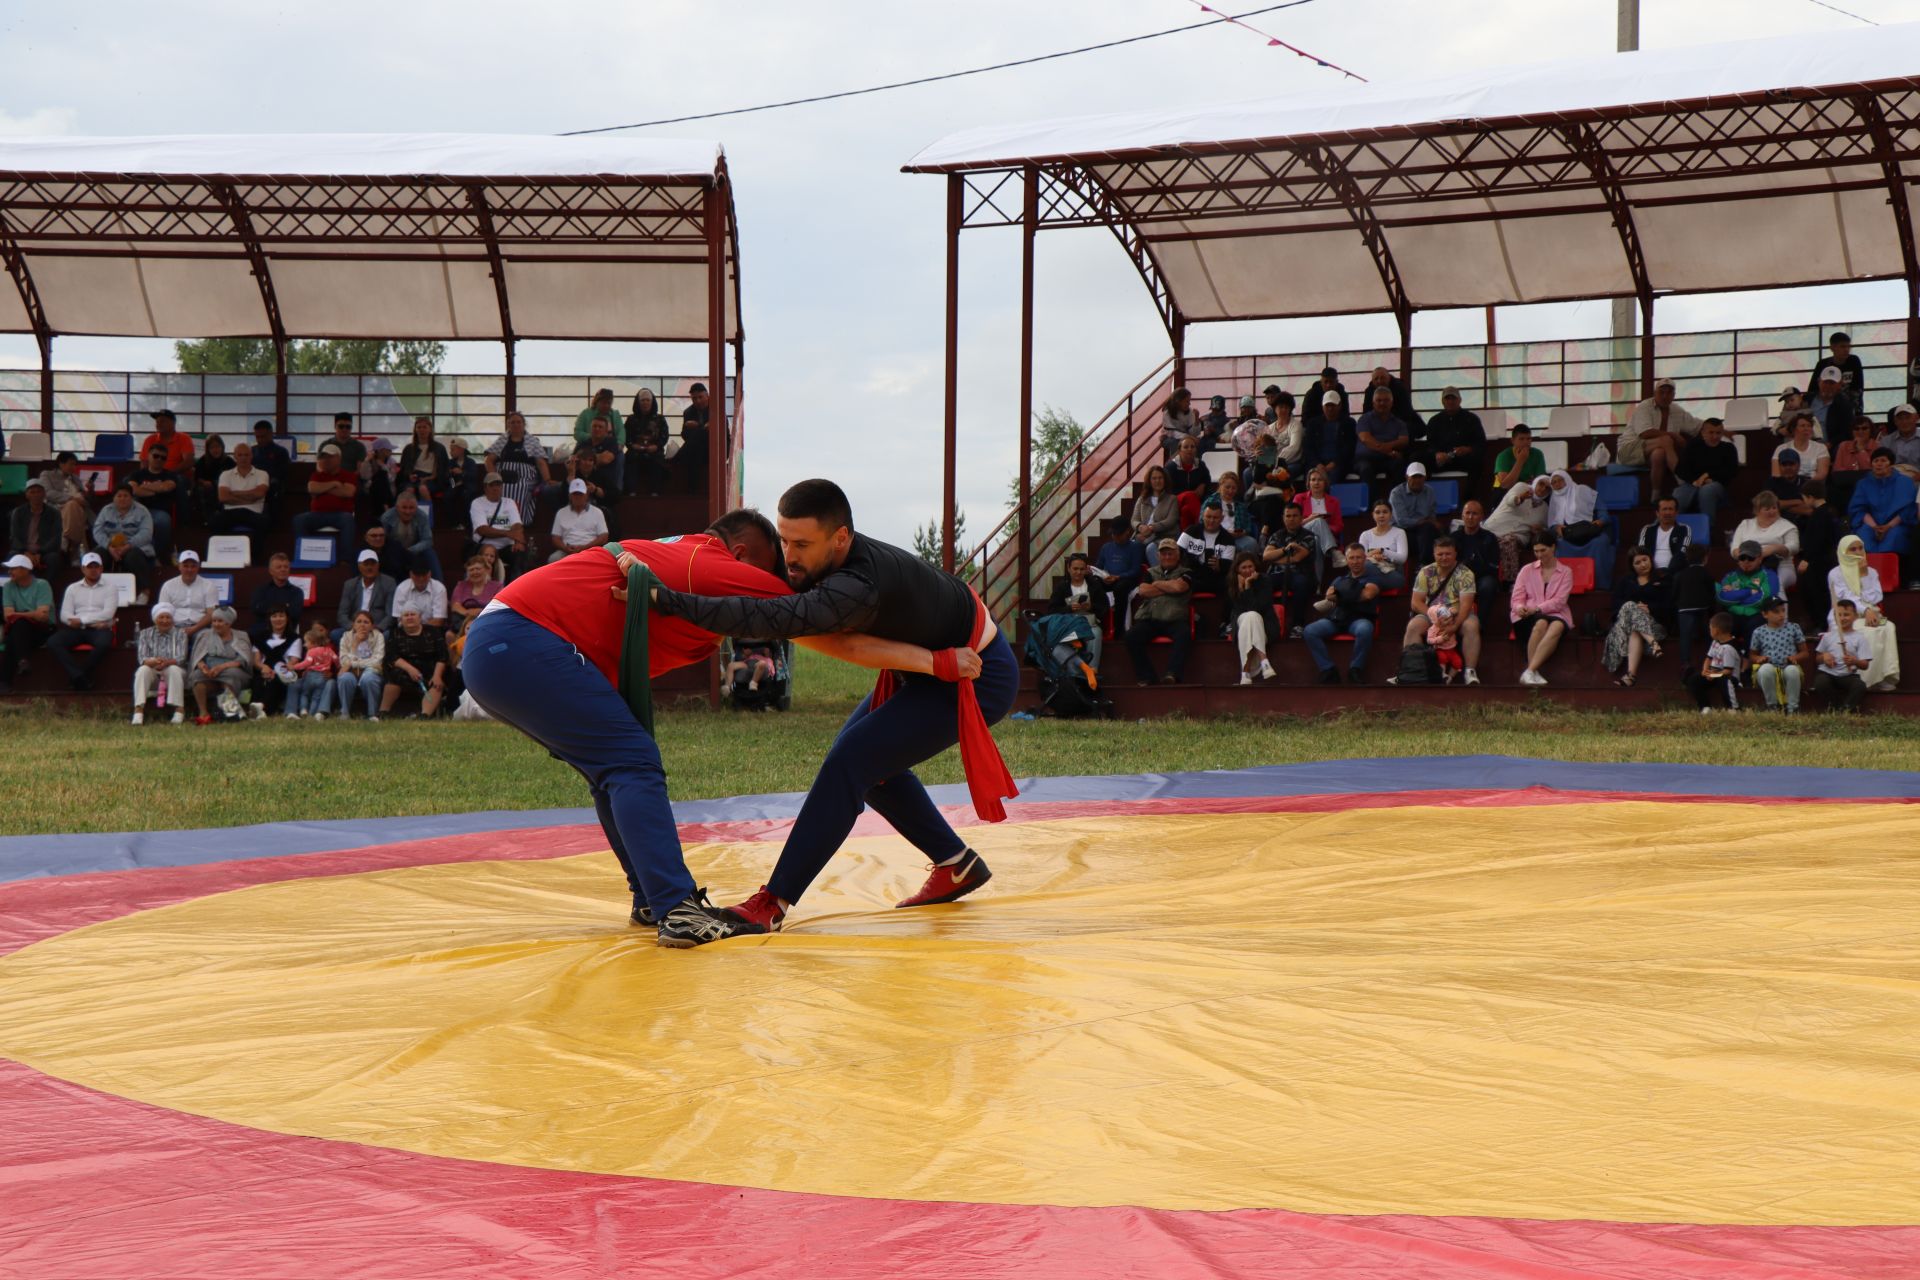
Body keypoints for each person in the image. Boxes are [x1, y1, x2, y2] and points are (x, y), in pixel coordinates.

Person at [505, 485, 1014, 940]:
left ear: (840, 539)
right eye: (786, 543)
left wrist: (666, 599)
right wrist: (931, 659)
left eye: (801, 546)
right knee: (868, 763)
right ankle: (956, 862)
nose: (789, 559)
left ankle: (773, 902)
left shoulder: (854, 585)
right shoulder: (836, 565)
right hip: (937, 667)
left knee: (851, 763)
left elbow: (770, 617)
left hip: (974, 674)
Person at [1392, 536, 1481, 686]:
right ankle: (1409, 670)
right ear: (1434, 554)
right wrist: (1434, 617)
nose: (1444, 557)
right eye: (1440, 554)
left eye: (1448, 554)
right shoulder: (1426, 572)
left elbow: (1467, 605)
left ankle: (1470, 671)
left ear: (1455, 554)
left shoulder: (1466, 574)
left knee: (1472, 625)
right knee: (1413, 626)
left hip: (1457, 613)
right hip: (1431, 613)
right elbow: (1416, 602)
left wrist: (1454, 625)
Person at [1827, 535, 1900, 690]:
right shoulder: (1835, 573)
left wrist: (1864, 575)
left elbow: (1876, 596)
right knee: (1869, 632)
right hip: (1845, 615)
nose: (1859, 552)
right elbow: (1845, 598)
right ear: (1843, 552)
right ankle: (1864, 680)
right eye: (1853, 549)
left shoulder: (1871, 572)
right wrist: (1865, 610)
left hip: (1871, 613)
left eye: (1861, 548)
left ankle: (1884, 676)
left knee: (1889, 627)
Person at [1304, 543, 1381, 685]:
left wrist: (1341, 595)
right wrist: (1354, 593)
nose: (1355, 561)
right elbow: (1329, 596)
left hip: (1359, 619)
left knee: (1365, 629)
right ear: (1346, 560)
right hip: (1337, 619)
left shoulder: (1373, 577)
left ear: (1365, 558)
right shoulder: (1339, 579)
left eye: (1359, 557)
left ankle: (1355, 670)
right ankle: (1328, 669)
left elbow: (1368, 594)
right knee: (1310, 631)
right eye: (1352, 558)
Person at [1124, 538, 1194, 685]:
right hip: (1150, 618)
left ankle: (1172, 674)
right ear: (1158, 556)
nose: (1167, 557)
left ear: (1178, 555)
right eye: (1164, 554)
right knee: (1131, 636)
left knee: (1184, 634)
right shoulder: (1150, 572)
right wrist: (1169, 587)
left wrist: (1156, 584)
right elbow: (1143, 591)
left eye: (1170, 554)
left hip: (1175, 619)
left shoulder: (1187, 572)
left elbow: (1179, 588)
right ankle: (1147, 676)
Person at [47, 552, 118, 690]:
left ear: (101, 568)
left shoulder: (110, 588)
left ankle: (79, 675)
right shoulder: (73, 588)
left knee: (104, 642)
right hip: (77, 628)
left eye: (96, 566)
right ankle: (80, 676)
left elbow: (108, 614)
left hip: (98, 628)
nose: (93, 570)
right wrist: (81, 622)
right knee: (53, 642)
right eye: (89, 567)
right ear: (82, 569)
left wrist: (81, 620)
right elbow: (64, 615)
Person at [1616, 379, 1700, 497]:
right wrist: (1674, 435)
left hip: (1649, 456)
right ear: (1655, 393)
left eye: (1669, 393)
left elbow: (1697, 425)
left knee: (1659, 453)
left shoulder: (1677, 410)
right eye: (1661, 392)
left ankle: (1655, 495)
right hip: (1627, 451)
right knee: (1666, 440)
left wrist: (1723, 430)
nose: (1665, 396)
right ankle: (1682, 481)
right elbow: (1644, 433)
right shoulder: (1645, 406)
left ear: (1674, 395)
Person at [1847, 448, 1918, 583]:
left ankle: (1894, 580)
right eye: (1876, 461)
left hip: (1896, 524)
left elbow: (1908, 511)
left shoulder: (1905, 482)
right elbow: (1858, 509)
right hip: (1870, 524)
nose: (1879, 464)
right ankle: (1864, 581)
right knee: (1863, 535)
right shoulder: (1863, 483)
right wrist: (1874, 526)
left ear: (1890, 463)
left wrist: (1888, 527)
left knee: (1895, 536)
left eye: (1883, 460)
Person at [1511, 536, 1573, 686]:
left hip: (1555, 614)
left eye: (1543, 550)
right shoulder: (1527, 570)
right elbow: (1516, 598)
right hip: (1526, 617)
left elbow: (1560, 601)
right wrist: (1521, 608)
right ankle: (1532, 672)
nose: (1539, 555)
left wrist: (1537, 609)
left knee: (1556, 624)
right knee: (1541, 623)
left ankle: (1530, 670)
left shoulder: (1566, 571)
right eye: (1536, 551)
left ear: (1553, 547)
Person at [1604, 549, 1668, 688]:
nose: (1643, 564)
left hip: (1654, 626)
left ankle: (1630, 676)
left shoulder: (1662, 579)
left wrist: (1650, 608)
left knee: (1635, 629)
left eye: (1645, 559)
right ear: (1632, 566)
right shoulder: (1625, 581)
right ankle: (1653, 644)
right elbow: (1615, 603)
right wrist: (1635, 608)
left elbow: (1669, 605)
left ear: (1650, 559)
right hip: (1625, 627)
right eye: (1637, 562)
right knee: (1629, 606)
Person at [188, 607, 264, 723]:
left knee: (229, 674)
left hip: (234, 670)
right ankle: (203, 713)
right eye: (214, 621)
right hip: (210, 672)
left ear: (228, 623)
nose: (216, 624)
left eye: (220, 621)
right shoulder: (205, 635)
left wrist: (221, 667)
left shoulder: (241, 636)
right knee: (197, 676)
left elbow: (243, 660)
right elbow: (198, 656)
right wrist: (203, 667)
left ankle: (229, 712)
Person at [1261, 501, 1319, 640]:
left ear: (1301, 517)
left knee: (1301, 583)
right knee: (1261, 582)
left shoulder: (1308, 536)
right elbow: (1265, 556)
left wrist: (1276, 557)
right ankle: (1266, 623)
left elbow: (1297, 558)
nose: (1291, 519)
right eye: (1288, 516)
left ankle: (1297, 625)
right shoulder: (1277, 535)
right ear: (1283, 517)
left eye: (1294, 516)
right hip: (1277, 573)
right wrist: (1284, 550)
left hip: (1301, 573)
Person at [379, 609, 450, 718]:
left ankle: (424, 715)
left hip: (431, 669)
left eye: (413, 614)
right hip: (405, 669)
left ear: (420, 617)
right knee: (393, 677)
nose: (409, 617)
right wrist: (410, 669)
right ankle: (383, 713)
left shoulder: (433, 632)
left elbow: (443, 656)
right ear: (401, 620)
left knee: (437, 683)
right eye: (406, 615)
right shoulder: (395, 633)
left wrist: (437, 675)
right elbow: (392, 656)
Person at [484, 412, 555, 520]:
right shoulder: (502, 440)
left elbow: (541, 462)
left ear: (523, 424)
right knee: (500, 487)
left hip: (526, 477)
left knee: (520, 487)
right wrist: (494, 477)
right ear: (508, 425)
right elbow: (489, 460)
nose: (516, 425)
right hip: (503, 475)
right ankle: (500, 521)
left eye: (518, 422)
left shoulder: (532, 441)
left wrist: (548, 479)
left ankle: (517, 521)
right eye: (512, 422)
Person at [1046, 552, 1109, 672]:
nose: (1078, 572)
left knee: (1096, 633)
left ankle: (1092, 670)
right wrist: (1068, 609)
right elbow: (1052, 610)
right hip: (1068, 625)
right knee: (1060, 641)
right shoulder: (1062, 587)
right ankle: (1071, 671)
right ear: (1068, 569)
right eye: (1075, 569)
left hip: (1090, 623)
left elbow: (1104, 607)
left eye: (1082, 569)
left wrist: (1091, 607)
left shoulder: (1094, 585)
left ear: (1086, 570)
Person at [1547, 469, 1612, 582]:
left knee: (1600, 543)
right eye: (1554, 482)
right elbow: (1552, 523)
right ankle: (1566, 584)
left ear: (1567, 479)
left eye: (1560, 480)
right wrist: (1556, 528)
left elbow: (1602, 509)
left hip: (1591, 531)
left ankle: (1599, 584)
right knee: (1560, 544)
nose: (1557, 484)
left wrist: (1601, 520)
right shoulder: (1554, 499)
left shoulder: (1582, 490)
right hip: (1569, 534)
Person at [1, 554, 53, 695]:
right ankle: (22, 661)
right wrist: (30, 614)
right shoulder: (8, 586)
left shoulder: (42, 585)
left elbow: (42, 616)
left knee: (16, 630)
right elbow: (7, 616)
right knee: (18, 628)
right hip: (21, 631)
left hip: (43, 629)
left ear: (25, 570)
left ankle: (5, 681)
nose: (9, 572)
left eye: (13, 569)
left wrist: (20, 614)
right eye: (9, 569)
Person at [208, 442, 271, 559]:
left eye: (246, 455)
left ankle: (255, 561)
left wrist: (234, 493)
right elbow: (223, 497)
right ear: (235, 456)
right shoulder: (226, 474)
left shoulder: (262, 474)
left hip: (254, 513)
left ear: (251, 456)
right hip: (230, 513)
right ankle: (219, 557)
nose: (243, 458)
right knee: (214, 521)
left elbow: (259, 493)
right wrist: (250, 497)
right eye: (240, 455)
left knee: (264, 522)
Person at [1731, 492, 1802, 595]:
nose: (1772, 511)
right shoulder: (1745, 524)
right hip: (1749, 566)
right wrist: (1747, 559)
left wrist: (1774, 548)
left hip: (1781, 566)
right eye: (1767, 509)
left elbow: (1794, 547)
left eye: (1774, 508)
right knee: (1738, 586)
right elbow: (1735, 548)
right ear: (1757, 511)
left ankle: (1779, 610)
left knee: (1774, 584)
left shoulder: (1788, 526)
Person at [1796, 479, 1845, 629]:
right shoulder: (1830, 512)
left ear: (1810, 497)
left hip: (1818, 563)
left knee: (1815, 593)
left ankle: (1822, 625)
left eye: (1804, 498)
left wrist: (1806, 559)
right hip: (1827, 560)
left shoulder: (1819, 516)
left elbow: (1816, 540)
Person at [91, 486, 157, 597]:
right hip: (110, 546)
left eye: (126, 496)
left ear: (132, 498)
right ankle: (96, 591)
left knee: (133, 556)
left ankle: (144, 592)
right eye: (119, 496)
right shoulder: (106, 510)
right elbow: (97, 531)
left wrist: (128, 545)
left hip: (135, 546)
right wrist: (108, 546)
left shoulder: (142, 511)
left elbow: (146, 533)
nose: (122, 499)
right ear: (114, 498)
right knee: (97, 556)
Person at [1746, 597, 1808, 714]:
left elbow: (1805, 653)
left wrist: (1795, 657)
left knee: (1792, 671)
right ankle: (1772, 707)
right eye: (1776, 612)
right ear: (1765, 614)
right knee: (1766, 669)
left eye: (1783, 610)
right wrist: (1759, 658)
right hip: (1770, 667)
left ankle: (1792, 708)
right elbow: (1752, 655)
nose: (1781, 615)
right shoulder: (1759, 632)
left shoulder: (1793, 628)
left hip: (1788, 666)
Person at [130, 602, 188, 724]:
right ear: (155, 619)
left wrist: (166, 662)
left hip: (173, 670)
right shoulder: (145, 633)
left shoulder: (180, 634)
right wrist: (154, 661)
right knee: (142, 670)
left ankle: (179, 710)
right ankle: (138, 711)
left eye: (168, 617)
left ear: (172, 619)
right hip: (153, 668)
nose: (165, 621)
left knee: (174, 669)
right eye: (161, 617)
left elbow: (181, 658)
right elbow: (142, 658)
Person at [1673, 417, 1739, 523]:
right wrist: (1694, 480)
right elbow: (1680, 469)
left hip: (1717, 486)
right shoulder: (1693, 446)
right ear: (1703, 433)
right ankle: (1668, 528)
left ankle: (1708, 527)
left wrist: (1708, 477)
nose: (1715, 436)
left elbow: (1731, 471)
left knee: (1707, 490)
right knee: (1679, 493)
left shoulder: (1728, 448)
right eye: (1711, 432)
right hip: (1693, 483)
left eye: (1718, 433)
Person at [1224, 550, 1276, 685]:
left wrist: (1247, 587)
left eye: (1250, 566)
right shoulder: (1232, 584)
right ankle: (1264, 662)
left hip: (1264, 627)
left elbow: (1257, 608)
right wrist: (1241, 588)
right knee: (1249, 617)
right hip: (1242, 627)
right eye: (1244, 567)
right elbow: (1241, 611)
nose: (1247, 570)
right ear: (1237, 570)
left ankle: (1245, 672)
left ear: (1255, 567)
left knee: (1253, 615)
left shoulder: (1265, 581)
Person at [468, 471, 531, 579]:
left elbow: (517, 525)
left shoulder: (510, 502)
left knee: (521, 553)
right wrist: (508, 534)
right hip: (485, 546)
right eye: (492, 485)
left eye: (498, 485)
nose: (495, 488)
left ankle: (517, 586)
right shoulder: (477, 503)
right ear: (485, 487)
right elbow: (482, 530)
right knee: (487, 554)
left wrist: (518, 541)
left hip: (506, 546)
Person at [1813, 599, 1872, 712]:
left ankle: (1846, 709)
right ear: (1834, 617)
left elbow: (1865, 665)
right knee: (1820, 683)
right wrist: (1824, 657)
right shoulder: (1827, 636)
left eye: (1846, 615)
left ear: (1855, 616)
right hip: (1828, 673)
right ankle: (1836, 707)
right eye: (1839, 615)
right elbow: (1817, 658)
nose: (1842, 618)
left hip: (1848, 675)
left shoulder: (1860, 638)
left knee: (1859, 686)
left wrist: (1855, 661)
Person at [1716, 541, 1779, 646]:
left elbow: (1765, 598)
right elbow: (1722, 597)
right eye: (1742, 558)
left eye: (1750, 558)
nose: (1746, 561)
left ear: (1760, 559)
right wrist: (1748, 592)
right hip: (1733, 616)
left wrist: (1735, 595)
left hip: (1757, 615)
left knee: (1755, 626)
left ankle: (1752, 660)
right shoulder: (1730, 576)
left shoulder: (1769, 575)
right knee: (1723, 623)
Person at [127, 441, 180, 564]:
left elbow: (167, 487)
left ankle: (156, 555)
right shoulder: (137, 474)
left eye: (163, 458)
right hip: (138, 511)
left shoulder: (170, 475)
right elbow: (133, 490)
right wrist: (156, 489)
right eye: (156, 456)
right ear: (148, 456)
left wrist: (144, 486)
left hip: (160, 512)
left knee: (163, 521)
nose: (159, 459)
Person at [34, 450, 94, 561]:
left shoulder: (75, 478)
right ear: (61, 463)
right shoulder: (47, 474)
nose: (74, 467)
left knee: (74, 507)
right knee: (72, 505)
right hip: (58, 507)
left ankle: (65, 542)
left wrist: (89, 491)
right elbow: (47, 493)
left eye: (75, 464)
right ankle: (76, 549)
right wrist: (71, 498)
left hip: (80, 509)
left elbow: (85, 499)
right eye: (71, 464)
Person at [1412, 387, 1485, 476]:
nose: (1450, 401)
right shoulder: (1435, 420)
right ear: (1442, 401)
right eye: (1447, 398)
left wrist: (1467, 449)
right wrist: (1437, 454)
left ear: (1460, 400)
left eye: (1453, 398)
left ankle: (1469, 490)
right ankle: (1424, 489)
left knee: (1477, 459)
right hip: (1441, 460)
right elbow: (1430, 444)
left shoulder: (1471, 419)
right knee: (1416, 458)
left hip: (1462, 459)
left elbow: (1480, 443)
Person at [291, 448, 358, 543]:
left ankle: (345, 557)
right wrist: (334, 483)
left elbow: (347, 492)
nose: (326, 460)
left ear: (339, 458)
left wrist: (322, 489)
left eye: (330, 457)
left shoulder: (349, 475)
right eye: (323, 457)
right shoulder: (316, 475)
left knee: (348, 520)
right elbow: (312, 489)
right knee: (299, 519)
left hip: (341, 514)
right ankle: (303, 554)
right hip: (317, 514)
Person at [1389, 461, 1447, 569]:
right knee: (1427, 533)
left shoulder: (1429, 491)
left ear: (1424, 478)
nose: (1417, 480)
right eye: (1414, 477)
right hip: (1402, 531)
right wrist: (1425, 521)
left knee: (1434, 531)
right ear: (1407, 477)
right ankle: (1425, 566)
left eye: (1420, 477)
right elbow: (1402, 521)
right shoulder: (1396, 493)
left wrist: (1430, 522)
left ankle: (1423, 565)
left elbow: (1432, 514)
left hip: (1423, 530)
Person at [1670, 544, 1717, 675]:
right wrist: (1712, 612)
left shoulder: (1680, 575)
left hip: (1684, 609)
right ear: (1705, 558)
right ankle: (1711, 660)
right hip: (1703, 609)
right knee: (1708, 635)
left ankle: (1686, 662)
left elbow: (1674, 594)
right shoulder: (1706, 574)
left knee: (1685, 636)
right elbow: (1711, 593)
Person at [1352, 384, 1411, 486]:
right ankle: (1372, 502)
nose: (1382, 403)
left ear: (1392, 403)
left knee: (1399, 466)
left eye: (1386, 400)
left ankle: (1395, 500)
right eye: (1379, 400)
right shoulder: (1364, 419)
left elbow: (1404, 440)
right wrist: (1388, 451)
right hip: (1366, 459)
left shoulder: (1399, 423)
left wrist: (1387, 450)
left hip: (1388, 460)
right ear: (1373, 403)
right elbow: (1366, 439)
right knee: (1366, 469)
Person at [1684, 612, 1743, 713]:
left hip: (1727, 676)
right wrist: (1705, 670)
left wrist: (1714, 675)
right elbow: (1708, 658)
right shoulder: (1715, 641)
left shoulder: (1729, 648)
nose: (1709, 631)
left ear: (1716, 630)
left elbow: (1728, 671)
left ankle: (1733, 708)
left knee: (1725, 680)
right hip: (1714, 673)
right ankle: (1705, 706)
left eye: (1710, 628)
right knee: (1693, 680)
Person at [8, 478, 65, 580]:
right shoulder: (18, 512)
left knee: (54, 558)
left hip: (44, 552)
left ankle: (46, 589)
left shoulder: (54, 513)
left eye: (39, 491)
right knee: (12, 555)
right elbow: (14, 537)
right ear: (27, 495)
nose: (36, 495)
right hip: (23, 551)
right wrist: (26, 553)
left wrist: (40, 553)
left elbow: (56, 538)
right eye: (32, 492)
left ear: (44, 494)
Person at [334, 610, 386, 720]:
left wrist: (353, 663)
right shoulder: (346, 636)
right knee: (344, 678)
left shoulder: (378, 636)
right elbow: (343, 661)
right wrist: (355, 644)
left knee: (369, 678)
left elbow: (377, 661)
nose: (362, 625)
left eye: (366, 622)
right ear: (353, 625)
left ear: (372, 626)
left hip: (371, 671)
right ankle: (345, 713)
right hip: (351, 672)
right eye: (359, 621)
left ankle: (372, 714)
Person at [1177, 503, 1238, 595]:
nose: (1211, 520)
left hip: (1215, 577)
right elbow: (1177, 553)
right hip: (1191, 574)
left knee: (1230, 585)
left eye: (1215, 517)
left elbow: (1228, 566)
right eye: (1208, 517)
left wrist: (1220, 566)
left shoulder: (1228, 539)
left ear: (1222, 518)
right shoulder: (1190, 531)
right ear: (1203, 516)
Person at [156, 550, 218, 640]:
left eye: (193, 566)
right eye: (185, 566)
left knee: (207, 636)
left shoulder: (209, 585)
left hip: (200, 628)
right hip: (173, 627)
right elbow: (162, 612)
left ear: (198, 567)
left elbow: (211, 613)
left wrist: (194, 629)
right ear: (179, 566)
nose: (189, 569)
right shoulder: (168, 585)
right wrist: (173, 629)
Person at [1807, 331, 1864, 428]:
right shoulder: (1823, 364)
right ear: (1832, 348)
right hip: (1825, 408)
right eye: (1842, 347)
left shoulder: (1854, 361)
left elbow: (1858, 388)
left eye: (1848, 347)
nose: (1846, 350)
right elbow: (1812, 390)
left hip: (1850, 407)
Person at [1092, 518, 1146, 620]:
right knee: (1094, 583)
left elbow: (1135, 570)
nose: (1115, 536)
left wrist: (1118, 577)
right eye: (1113, 534)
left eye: (1118, 534)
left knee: (1121, 588)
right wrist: (1098, 574)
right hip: (1108, 579)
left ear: (1127, 532)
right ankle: (1100, 617)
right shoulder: (1106, 547)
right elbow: (1098, 566)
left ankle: (1118, 625)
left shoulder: (1136, 547)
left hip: (1125, 580)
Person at [335, 549, 396, 639]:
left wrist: (378, 628)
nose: (369, 567)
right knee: (335, 634)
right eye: (366, 564)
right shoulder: (350, 584)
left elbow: (390, 614)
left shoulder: (388, 582)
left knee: (387, 635)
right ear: (359, 566)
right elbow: (342, 614)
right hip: (355, 627)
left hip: (377, 627)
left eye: (373, 564)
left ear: (378, 565)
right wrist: (354, 627)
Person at [381, 491, 442, 580]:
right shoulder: (387, 517)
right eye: (404, 508)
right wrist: (399, 551)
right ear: (397, 507)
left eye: (411, 508)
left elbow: (428, 540)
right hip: (394, 551)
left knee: (430, 553)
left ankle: (439, 584)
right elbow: (383, 540)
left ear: (416, 507)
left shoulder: (422, 516)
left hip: (416, 550)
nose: (408, 511)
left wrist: (410, 550)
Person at [254, 606, 303, 716]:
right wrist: (263, 668)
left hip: (283, 672)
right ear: (269, 619)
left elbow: (293, 661)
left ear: (287, 618)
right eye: (274, 616)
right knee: (258, 681)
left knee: (275, 680)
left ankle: (262, 708)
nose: (278, 619)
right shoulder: (260, 637)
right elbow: (256, 660)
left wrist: (278, 671)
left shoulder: (295, 638)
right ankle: (258, 708)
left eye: (281, 616)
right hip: (264, 670)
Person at [248, 552, 305, 644]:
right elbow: (256, 608)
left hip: (287, 630)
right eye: (279, 567)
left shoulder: (297, 592)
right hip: (262, 628)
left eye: (286, 567)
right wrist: (285, 605)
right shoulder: (261, 590)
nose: (283, 569)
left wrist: (269, 606)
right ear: (271, 571)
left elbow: (295, 613)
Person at [625, 387, 672, 496]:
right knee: (630, 460)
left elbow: (664, 436)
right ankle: (631, 491)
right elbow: (626, 437)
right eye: (642, 400)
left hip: (654, 450)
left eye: (648, 400)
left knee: (658, 461)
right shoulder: (631, 419)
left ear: (652, 402)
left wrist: (657, 446)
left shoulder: (660, 419)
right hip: (635, 450)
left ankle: (655, 491)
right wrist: (633, 446)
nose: (645, 403)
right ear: (638, 402)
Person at [549, 477, 610, 560]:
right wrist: (565, 548)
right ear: (570, 496)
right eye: (575, 494)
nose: (577, 497)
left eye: (580, 494)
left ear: (586, 495)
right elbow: (555, 537)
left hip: (591, 550)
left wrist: (585, 547)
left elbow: (604, 537)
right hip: (566, 551)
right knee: (553, 559)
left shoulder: (597, 512)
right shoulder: (561, 512)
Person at [397, 416, 451, 510]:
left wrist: (432, 477)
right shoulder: (409, 448)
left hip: (433, 479)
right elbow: (404, 468)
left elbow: (445, 468)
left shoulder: (439, 448)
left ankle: (427, 520)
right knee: (409, 490)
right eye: (419, 427)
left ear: (430, 429)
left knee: (423, 489)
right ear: (415, 430)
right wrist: (409, 475)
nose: (422, 430)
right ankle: (409, 520)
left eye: (425, 427)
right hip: (414, 478)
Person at [1201, 470, 1259, 555]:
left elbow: (1248, 526)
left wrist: (1242, 533)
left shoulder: (1240, 505)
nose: (1230, 491)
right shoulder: (1210, 502)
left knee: (1251, 543)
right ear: (1220, 486)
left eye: (1233, 488)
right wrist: (1224, 532)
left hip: (1236, 538)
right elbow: (1202, 522)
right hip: (1216, 536)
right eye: (1227, 487)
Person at [1293, 465, 1344, 561]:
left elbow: (1339, 525)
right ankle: (1333, 552)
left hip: (1323, 537)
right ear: (1309, 482)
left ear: (1325, 482)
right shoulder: (1299, 498)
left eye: (1320, 480)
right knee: (1318, 521)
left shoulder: (1334, 501)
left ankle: (1318, 576)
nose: (1316, 483)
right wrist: (1311, 519)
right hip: (1303, 534)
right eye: (1313, 480)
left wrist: (1324, 527)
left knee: (1317, 540)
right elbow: (1293, 523)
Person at [288, 620, 338, 719]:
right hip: (322, 678)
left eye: (306, 642)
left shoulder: (311, 651)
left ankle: (303, 710)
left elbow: (306, 662)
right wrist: (338, 666)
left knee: (305, 694)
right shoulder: (329, 650)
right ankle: (311, 714)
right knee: (316, 696)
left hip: (311, 676)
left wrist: (294, 667)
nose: (304, 644)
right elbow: (337, 660)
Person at [1303, 389, 1356, 480]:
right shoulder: (1313, 424)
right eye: (1327, 405)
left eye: (1333, 405)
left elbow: (1349, 447)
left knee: (1334, 476)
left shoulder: (1349, 423)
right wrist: (1318, 464)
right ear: (1322, 406)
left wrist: (1334, 463)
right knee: (1313, 477)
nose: (1330, 408)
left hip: (1339, 463)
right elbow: (1308, 447)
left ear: (1339, 406)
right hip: (1317, 463)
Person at [1830, 415, 1880, 511]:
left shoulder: (1876, 446)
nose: (1860, 431)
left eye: (1864, 428)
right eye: (1856, 429)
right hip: (1845, 486)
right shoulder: (1844, 446)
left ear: (1871, 430)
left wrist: (1861, 450)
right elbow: (1837, 470)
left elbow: (1872, 470)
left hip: (1870, 485)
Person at [448, 553, 501, 642]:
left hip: (486, 619)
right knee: (449, 635)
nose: (475, 572)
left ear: (486, 570)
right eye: (471, 570)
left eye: (478, 569)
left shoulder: (497, 586)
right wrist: (468, 612)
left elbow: (498, 606)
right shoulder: (461, 585)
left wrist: (481, 612)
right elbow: (455, 606)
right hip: (464, 622)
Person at [1357, 501, 1408, 591]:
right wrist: (1375, 556)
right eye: (1377, 512)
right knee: (1369, 580)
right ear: (1373, 514)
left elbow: (1402, 558)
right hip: (1372, 575)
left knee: (1365, 570)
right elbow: (1359, 558)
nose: (1381, 515)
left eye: (1385, 512)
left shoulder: (1399, 532)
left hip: (1393, 574)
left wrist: (1382, 551)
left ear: (1391, 514)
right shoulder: (1365, 535)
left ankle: (1354, 584)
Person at [390, 553, 449, 630]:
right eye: (417, 575)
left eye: (424, 574)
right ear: (410, 574)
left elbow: (439, 621)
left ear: (429, 574)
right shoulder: (401, 588)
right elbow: (399, 619)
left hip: (432, 631)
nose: (421, 578)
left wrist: (417, 630)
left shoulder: (439, 588)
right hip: (406, 631)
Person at [1635, 496, 1691, 575]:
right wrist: (1653, 573)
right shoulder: (1647, 530)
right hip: (1650, 573)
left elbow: (1681, 554)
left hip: (1674, 574)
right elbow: (1641, 552)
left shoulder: (1684, 529)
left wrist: (1666, 573)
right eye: (1664, 509)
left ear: (1676, 512)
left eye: (1670, 509)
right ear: (1657, 513)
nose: (1667, 512)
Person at [1130, 465, 1180, 548]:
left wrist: (1151, 528)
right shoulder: (1142, 499)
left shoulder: (1172, 499)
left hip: (1163, 537)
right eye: (1154, 478)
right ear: (1149, 481)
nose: (1157, 481)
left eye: (1160, 478)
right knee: (1134, 547)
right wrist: (1140, 527)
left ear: (1165, 480)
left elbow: (1171, 520)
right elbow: (1134, 520)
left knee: (1151, 548)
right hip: (1143, 536)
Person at [1773, 413, 1830, 483]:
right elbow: (1776, 474)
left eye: (1809, 426)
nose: (1806, 429)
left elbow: (1822, 474)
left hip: (1812, 486)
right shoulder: (1781, 448)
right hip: (1787, 485)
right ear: (1793, 429)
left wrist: (1803, 484)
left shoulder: (1821, 448)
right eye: (1802, 426)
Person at [678, 382, 712, 494]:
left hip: (713, 447)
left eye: (700, 397)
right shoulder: (688, 412)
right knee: (695, 450)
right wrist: (702, 428)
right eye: (694, 398)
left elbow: (719, 431)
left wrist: (698, 427)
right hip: (697, 448)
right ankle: (693, 489)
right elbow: (684, 434)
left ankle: (678, 456)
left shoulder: (716, 408)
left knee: (699, 438)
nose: (697, 401)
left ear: (707, 396)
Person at [1804, 366, 1852, 444]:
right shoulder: (1807, 399)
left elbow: (1847, 432)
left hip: (1829, 446)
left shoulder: (1844, 405)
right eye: (1825, 382)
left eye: (1832, 383)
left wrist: (1830, 444)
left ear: (1840, 385)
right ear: (1819, 381)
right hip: (1803, 443)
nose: (1828, 386)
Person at [138, 408, 194, 475]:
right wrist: (149, 476)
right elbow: (144, 462)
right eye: (157, 422)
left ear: (173, 423)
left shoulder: (184, 438)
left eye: (162, 421)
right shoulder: (150, 439)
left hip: (177, 475)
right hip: (153, 476)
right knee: (128, 481)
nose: (158, 424)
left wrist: (168, 475)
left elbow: (188, 461)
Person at [192, 433, 234, 521]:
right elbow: (197, 478)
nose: (216, 450)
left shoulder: (229, 461)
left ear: (222, 447)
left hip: (225, 487)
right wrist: (204, 482)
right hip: (208, 488)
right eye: (212, 447)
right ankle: (207, 519)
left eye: (218, 446)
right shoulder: (203, 460)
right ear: (208, 449)